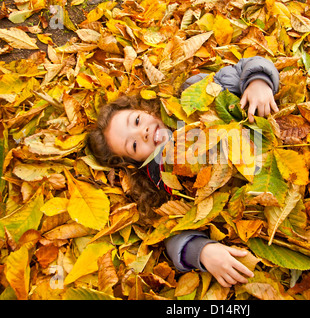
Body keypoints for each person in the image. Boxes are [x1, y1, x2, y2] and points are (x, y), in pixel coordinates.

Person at [87, 56, 280, 287]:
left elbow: (246, 67)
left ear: (142, 108)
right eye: (135, 145)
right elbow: (173, 231)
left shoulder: (193, 94)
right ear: (134, 162)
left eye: (137, 121)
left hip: (276, 143)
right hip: (259, 199)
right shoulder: (162, 182)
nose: (143, 133)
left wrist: (258, 82)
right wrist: (203, 251)